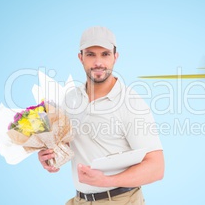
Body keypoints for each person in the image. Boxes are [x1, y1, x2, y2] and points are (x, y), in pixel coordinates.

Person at [38, 26, 164, 205]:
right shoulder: (71, 99)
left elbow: (156, 168)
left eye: (105, 54)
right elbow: (66, 146)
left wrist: (108, 181)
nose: (98, 62)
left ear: (115, 57)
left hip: (121, 201)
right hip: (80, 200)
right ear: (80, 57)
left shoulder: (132, 104)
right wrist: (49, 157)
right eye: (90, 54)